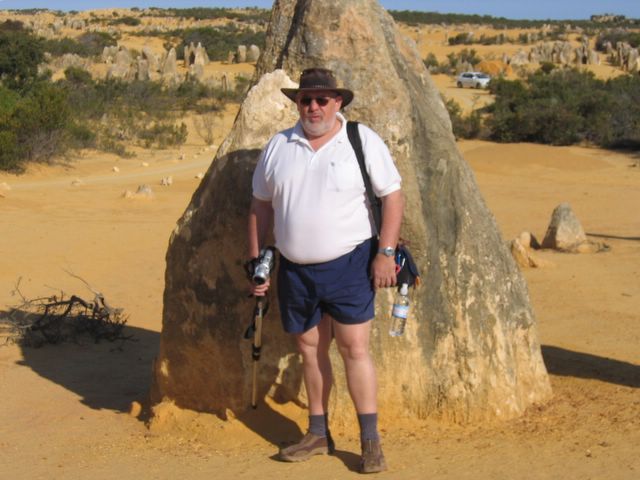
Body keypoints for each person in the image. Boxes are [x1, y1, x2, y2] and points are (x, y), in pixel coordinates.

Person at [247, 67, 403, 474]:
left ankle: (370, 441)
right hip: (295, 270)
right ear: (297, 103)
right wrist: (257, 262)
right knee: (310, 350)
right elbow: (260, 206)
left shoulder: (360, 140)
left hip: (350, 265)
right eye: (306, 100)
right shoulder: (279, 146)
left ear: (338, 103)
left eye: (322, 100)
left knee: (354, 349)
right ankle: (318, 433)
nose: (313, 107)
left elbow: (392, 196)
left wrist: (385, 253)